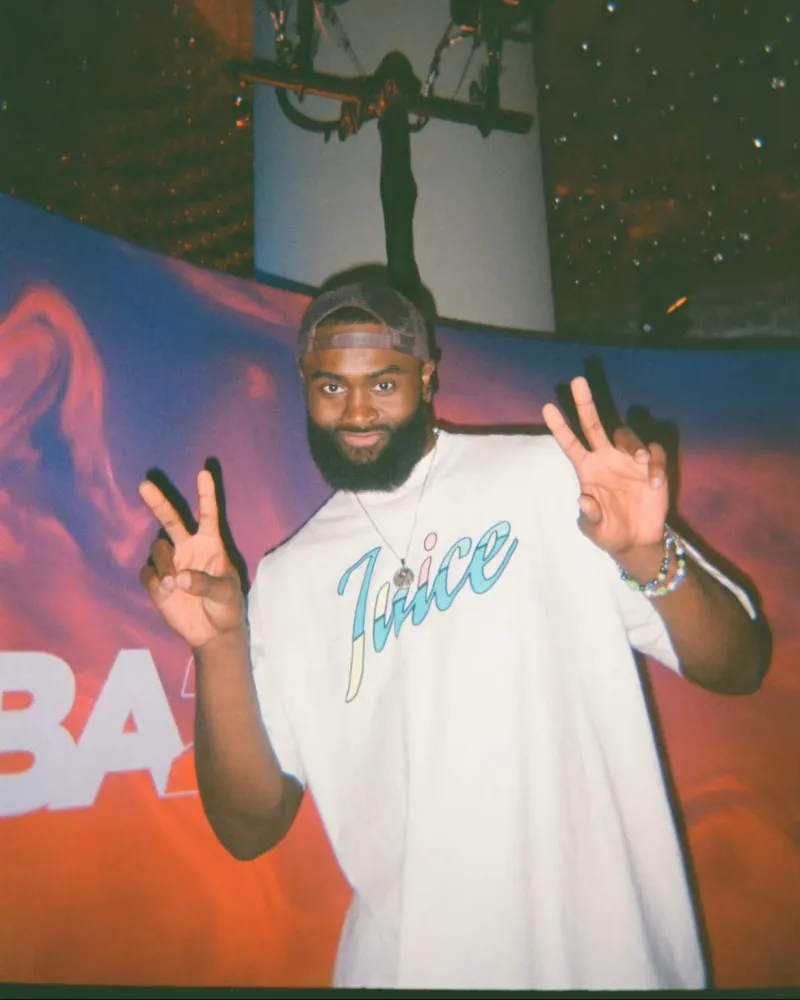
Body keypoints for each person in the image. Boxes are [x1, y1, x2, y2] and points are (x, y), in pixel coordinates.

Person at [139, 282, 768, 991]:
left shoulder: (553, 481)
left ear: (428, 375)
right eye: (331, 386)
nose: (356, 412)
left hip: (608, 956)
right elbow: (249, 829)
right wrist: (218, 648)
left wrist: (647, 556)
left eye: (384, 383)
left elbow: (741, 664)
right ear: (304, 385)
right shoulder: (289, 577)